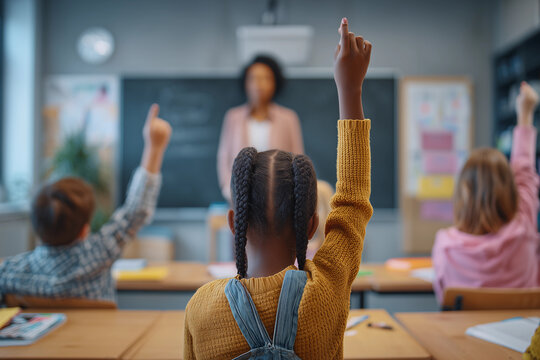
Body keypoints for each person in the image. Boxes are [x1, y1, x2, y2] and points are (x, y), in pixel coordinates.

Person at [184, 18, 373, 358]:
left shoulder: (200, 308)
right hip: (278, 195)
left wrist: (247, 200)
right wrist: (351, 90)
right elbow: (353, 200)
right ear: (312, 223)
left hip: (262, 196)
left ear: (234, 223)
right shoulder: (328, 290)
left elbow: (297, 154)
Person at [0, 104, 172, 302]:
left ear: (36, 229)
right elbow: (135, 211)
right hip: (100, 334)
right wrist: (154, 148)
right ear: (84, 229)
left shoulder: (10, 274)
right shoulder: (99, 255)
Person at [432, 81, 540, 303]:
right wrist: (525, 113)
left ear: (462, 196)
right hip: (522, 336)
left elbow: (443, 296)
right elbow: (525, 171)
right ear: (510, 190)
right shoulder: (525, 226)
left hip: (461, 337)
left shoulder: (446, 245)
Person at [217, 55, 304, 201]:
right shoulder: (233, 117)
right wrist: (229, 190)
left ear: (275, 83)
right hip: (241, 197)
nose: (259, 84)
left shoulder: (288, 118)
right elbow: (224, 157)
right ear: (245, 82)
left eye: (266, 78)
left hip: (279, 198)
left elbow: (298, 158)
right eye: (253, 78)